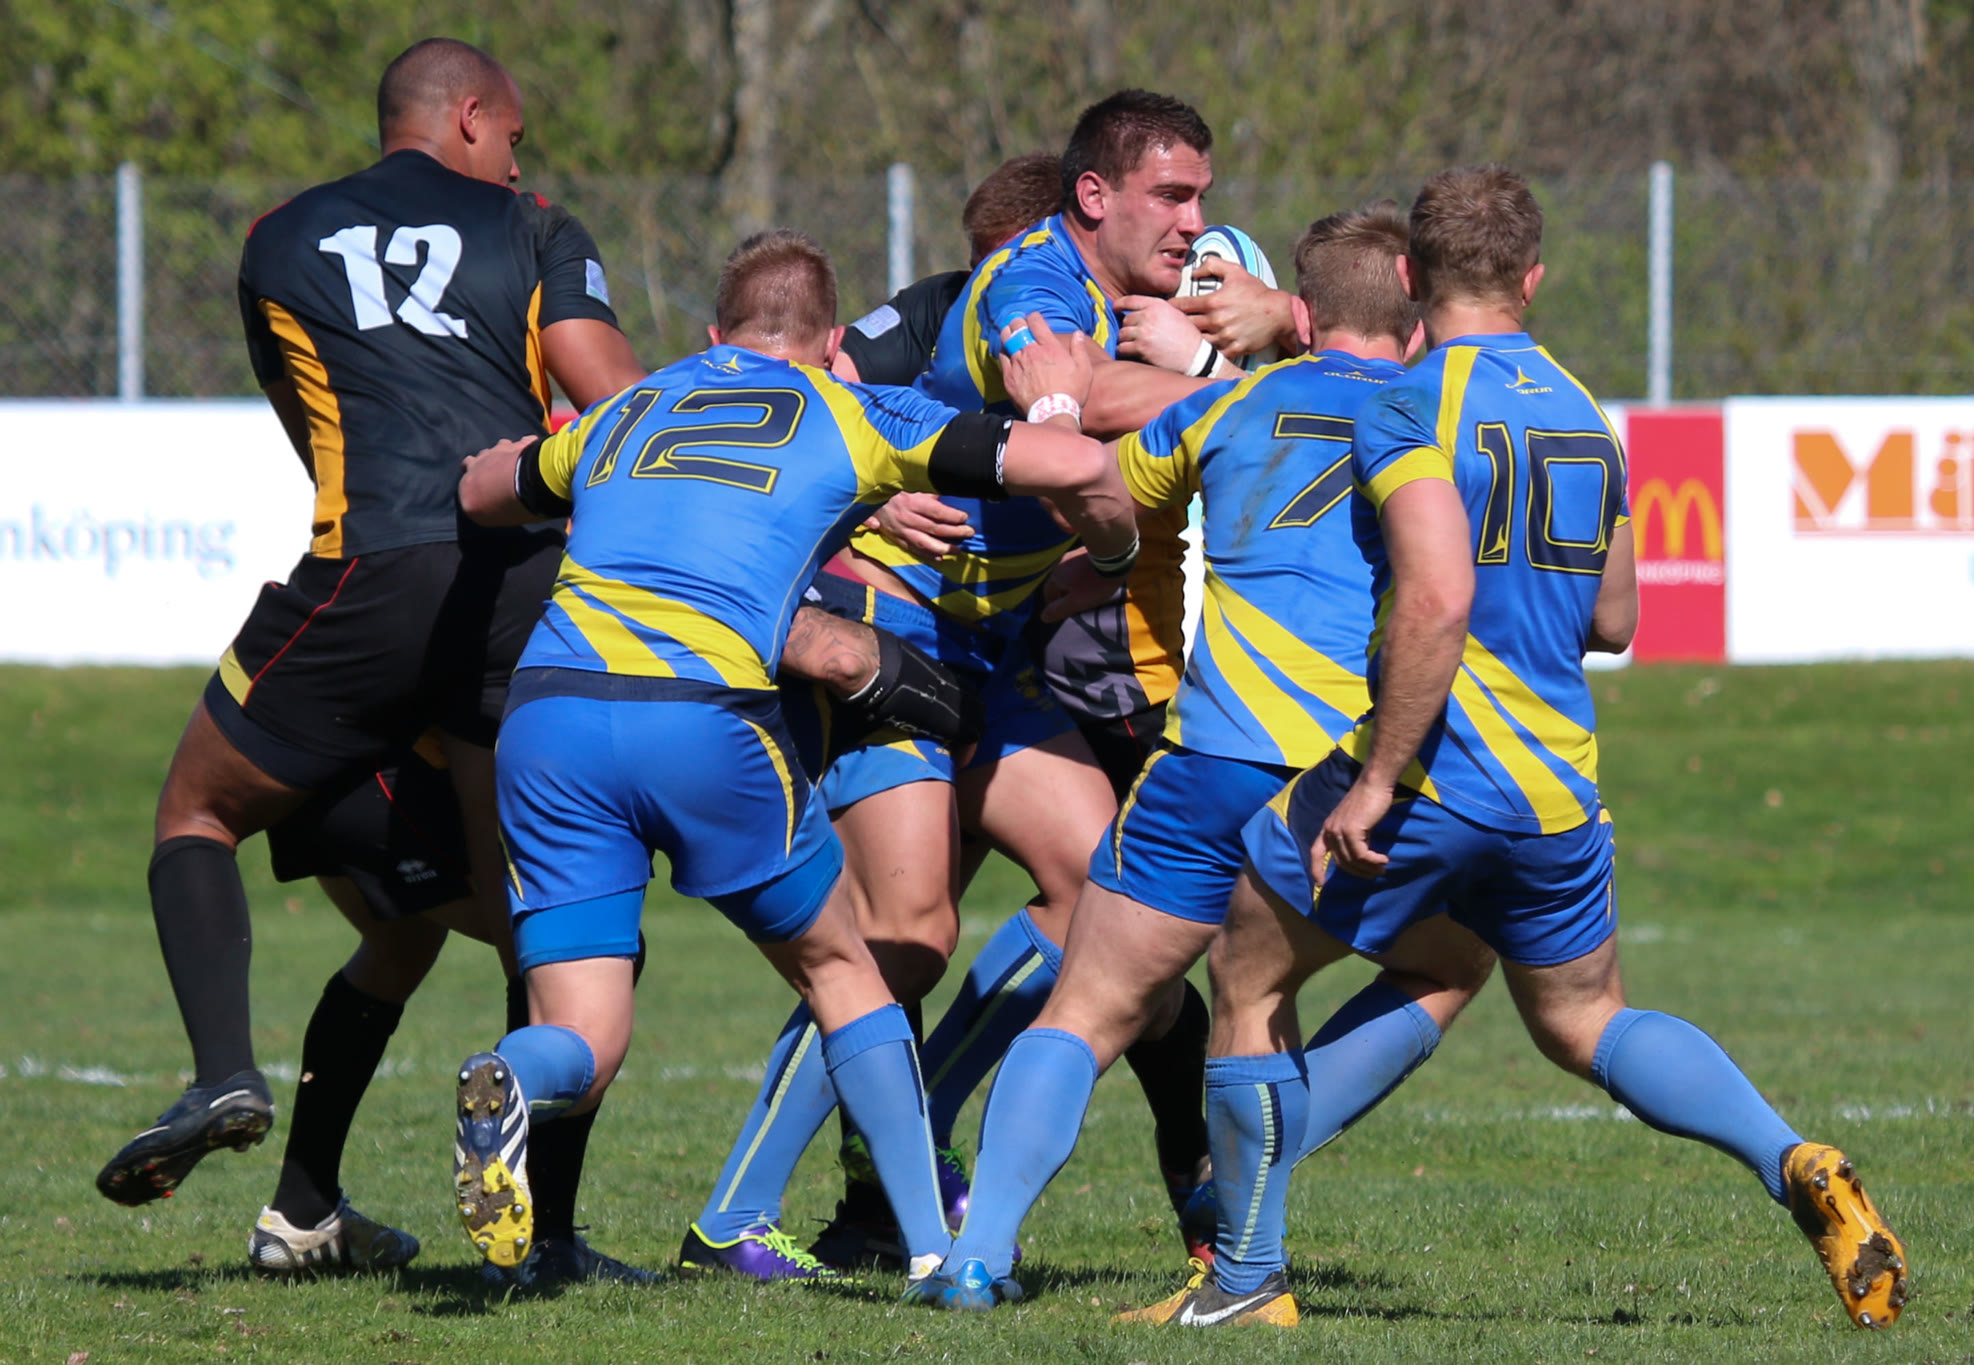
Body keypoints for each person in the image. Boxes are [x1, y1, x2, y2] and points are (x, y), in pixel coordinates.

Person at [1132, 164, 1909, 1330]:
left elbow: (1435, 596)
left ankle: (1244, 1282)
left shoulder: (1407, 403)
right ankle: (1789, 1156)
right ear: (1532, 280)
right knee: (1584, 1019)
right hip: (1554, 786)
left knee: (1247, 968)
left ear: (1409, 276)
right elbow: (1616, 619)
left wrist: (1377, 779)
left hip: (1433, 768)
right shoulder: (1583, 411)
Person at [445, 230, 1140, 1290]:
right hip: (700, 714)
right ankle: (930, 1248)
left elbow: (486, 491)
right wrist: (1095, 508)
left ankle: (507, 1074)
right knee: (844, 968)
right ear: (827, 342)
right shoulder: (850, 409)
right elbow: (1076, 463)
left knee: (582, 1035)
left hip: (549, 718)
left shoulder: (627, 408)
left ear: (712, 333)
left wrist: (500, 468)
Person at [94, 38, 645, 1264]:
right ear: (469, 116)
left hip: (373, 579)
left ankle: (224, 1078)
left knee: (197, 813)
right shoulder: (535, 230)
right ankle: (535, 1239)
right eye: (513, 137)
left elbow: (316, 426)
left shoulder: (278, 237)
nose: (519, 163)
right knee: (539, 922)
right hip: (517, 586)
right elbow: (617, 404)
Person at [908, 206, 1499, 1311]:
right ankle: (1243, 1195)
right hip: (1332, 777)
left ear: (1303, 314)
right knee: (1450, 961)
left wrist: (1103, 557)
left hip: (1203, 759)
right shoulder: (1432, 416)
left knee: (1085, 1010)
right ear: (1416, 323)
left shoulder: (1224, 405)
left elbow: (1097, 489)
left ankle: (977, 1255)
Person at [690, 91, 1231, 1281]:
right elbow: (1078, 410)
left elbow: (1102, 465)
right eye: (1171, 196)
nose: (1193, 221)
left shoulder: (1130, 302)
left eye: (1200, 197)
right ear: (1093, 195)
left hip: (993, 645)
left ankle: (910, 1120)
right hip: (889, 626)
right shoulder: (1031, 286)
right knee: (907, 932)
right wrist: (1240, 385)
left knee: (1104, 895)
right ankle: (730, 1218)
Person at [833, 154, 1064, 389]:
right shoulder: (941, 300)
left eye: (1002, 277)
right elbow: (831, 378)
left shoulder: (1082, 330)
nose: (983, 291)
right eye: (978, 272)